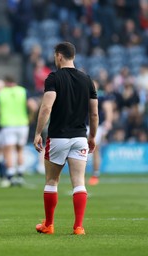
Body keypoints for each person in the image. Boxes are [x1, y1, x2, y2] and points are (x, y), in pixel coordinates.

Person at [33, 42, 98, 235]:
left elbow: (46, 107)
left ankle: (49, 225)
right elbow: (94, 114)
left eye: (55, 56)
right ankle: (78, 227)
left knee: (52, 181)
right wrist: (92, 136)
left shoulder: (53, 78)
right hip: (80, 137)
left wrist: (37, 132)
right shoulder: (87, 79)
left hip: (58, 137)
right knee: (79, 182)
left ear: (59, 56)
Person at [0, 75, 37, 188]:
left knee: (9, 151)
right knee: (20, 150)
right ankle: (20, 176)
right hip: (22, 125)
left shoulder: (1, 93)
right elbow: (33, 106)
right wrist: (31, 118)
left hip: (8, 125)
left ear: (6, 82)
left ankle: (9, 177)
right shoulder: (23, 91)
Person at [88, 80, 114, 186]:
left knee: (95, 149)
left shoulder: (101, 96)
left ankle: (95, 174)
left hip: (96, 125)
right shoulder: (83, 94)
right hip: (83, 125)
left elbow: (108, 108)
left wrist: (108, 121)